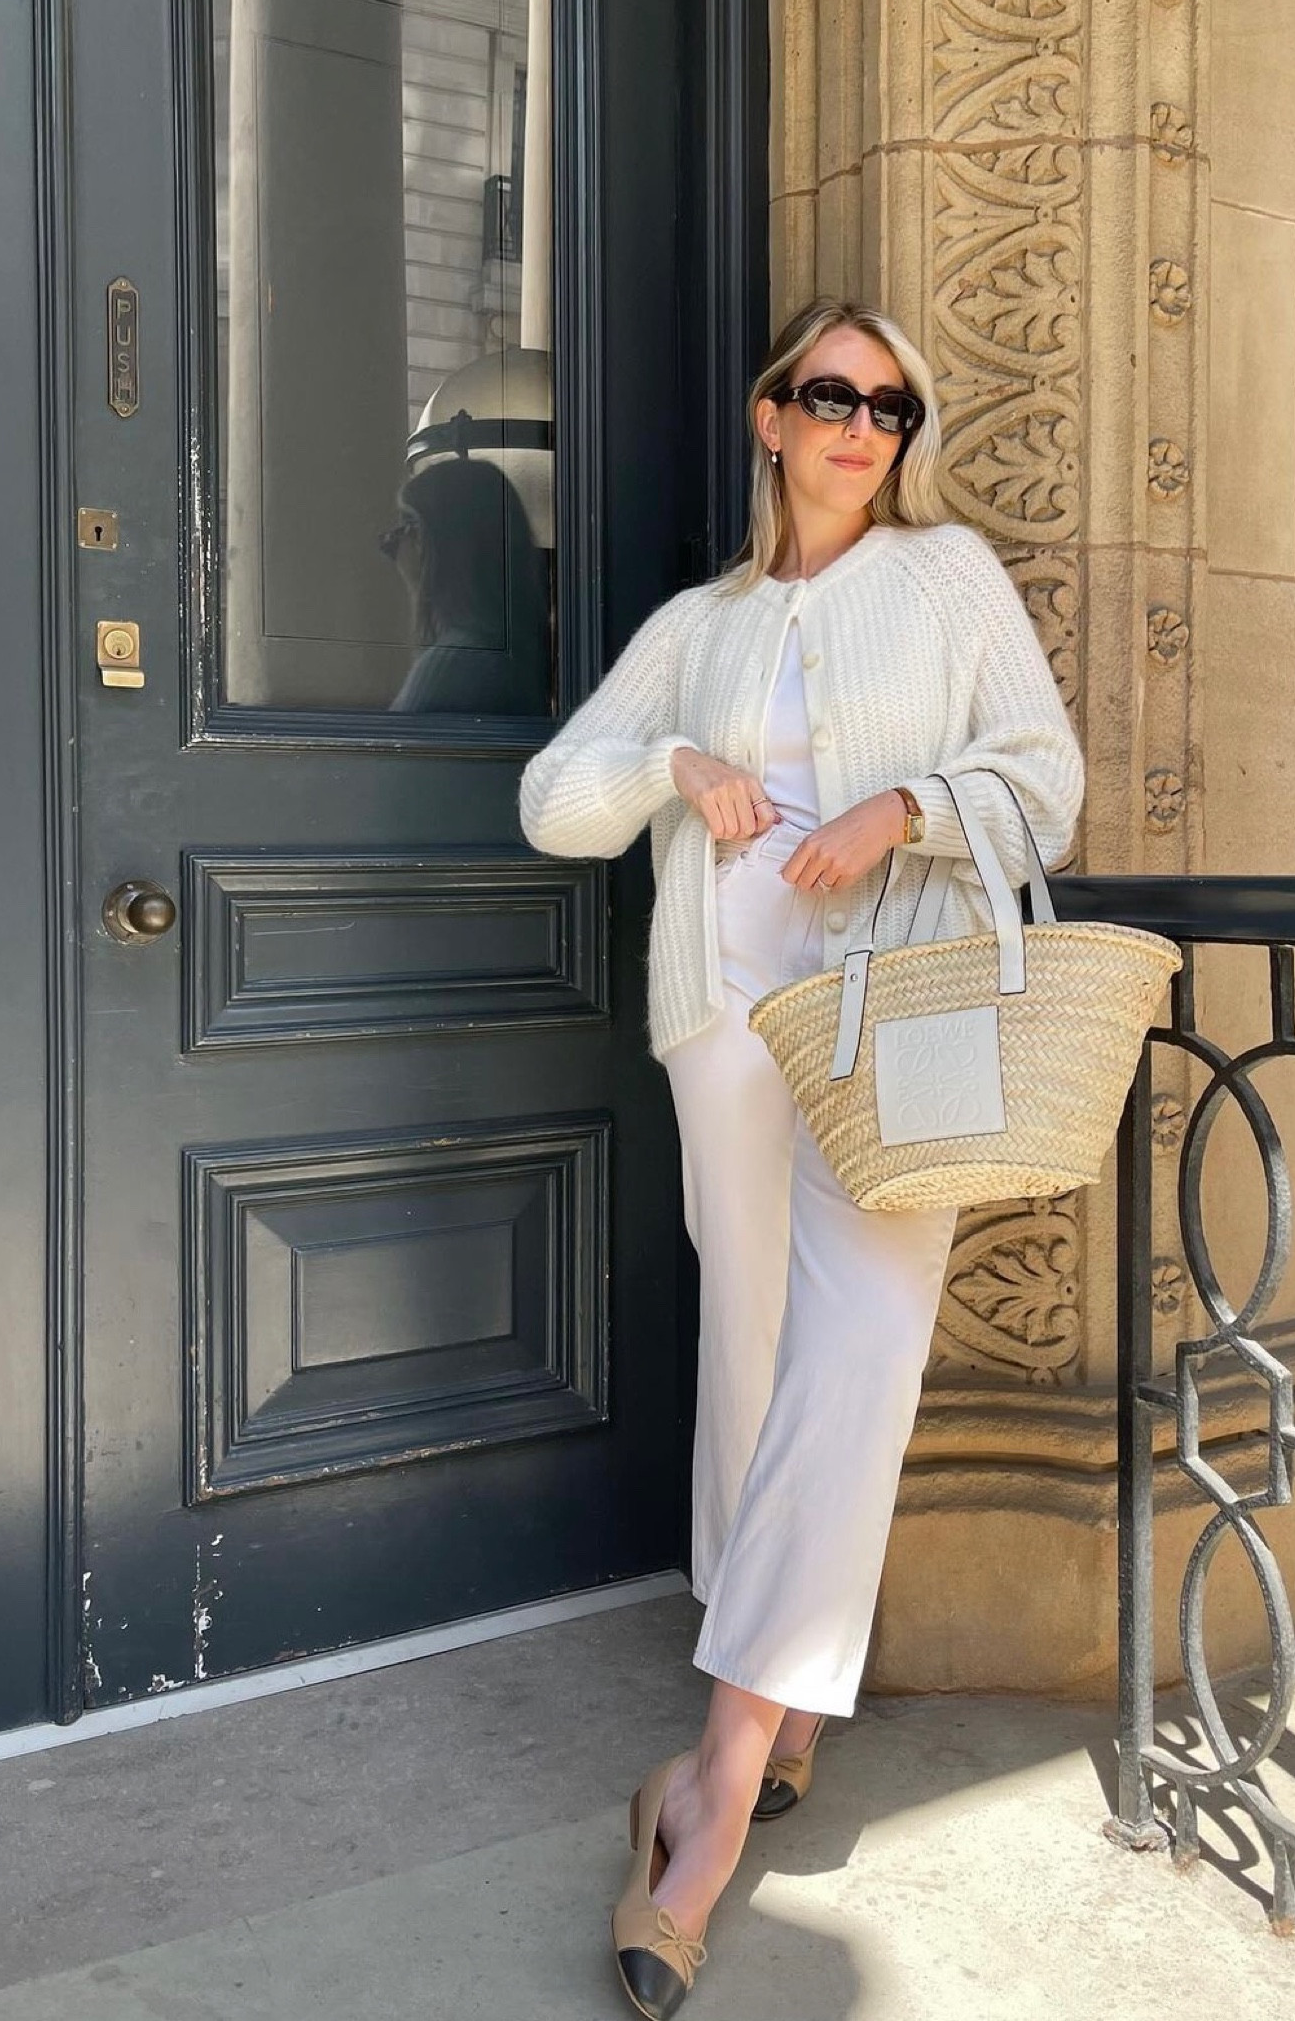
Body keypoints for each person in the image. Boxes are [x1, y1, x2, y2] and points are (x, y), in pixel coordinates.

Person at [517, 294, 1084, 2018]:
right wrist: (672, 765)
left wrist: (902, 808)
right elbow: (554, 794)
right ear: (769, 414)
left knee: (856, 1362)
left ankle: (703, 1793)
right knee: (758, 1359)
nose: (862, 427)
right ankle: (787, 1708)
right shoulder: (699, 624)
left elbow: (1044, 779)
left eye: (892, 408)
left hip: (891, 1015)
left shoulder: (947, 580)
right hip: (723, 1017)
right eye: (831, 396)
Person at [381, 457, 552, 716]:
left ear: (441, 543)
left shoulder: (456, 662)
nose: (395, 544)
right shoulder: (508, 653)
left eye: (409, 524)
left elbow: (388, 753)